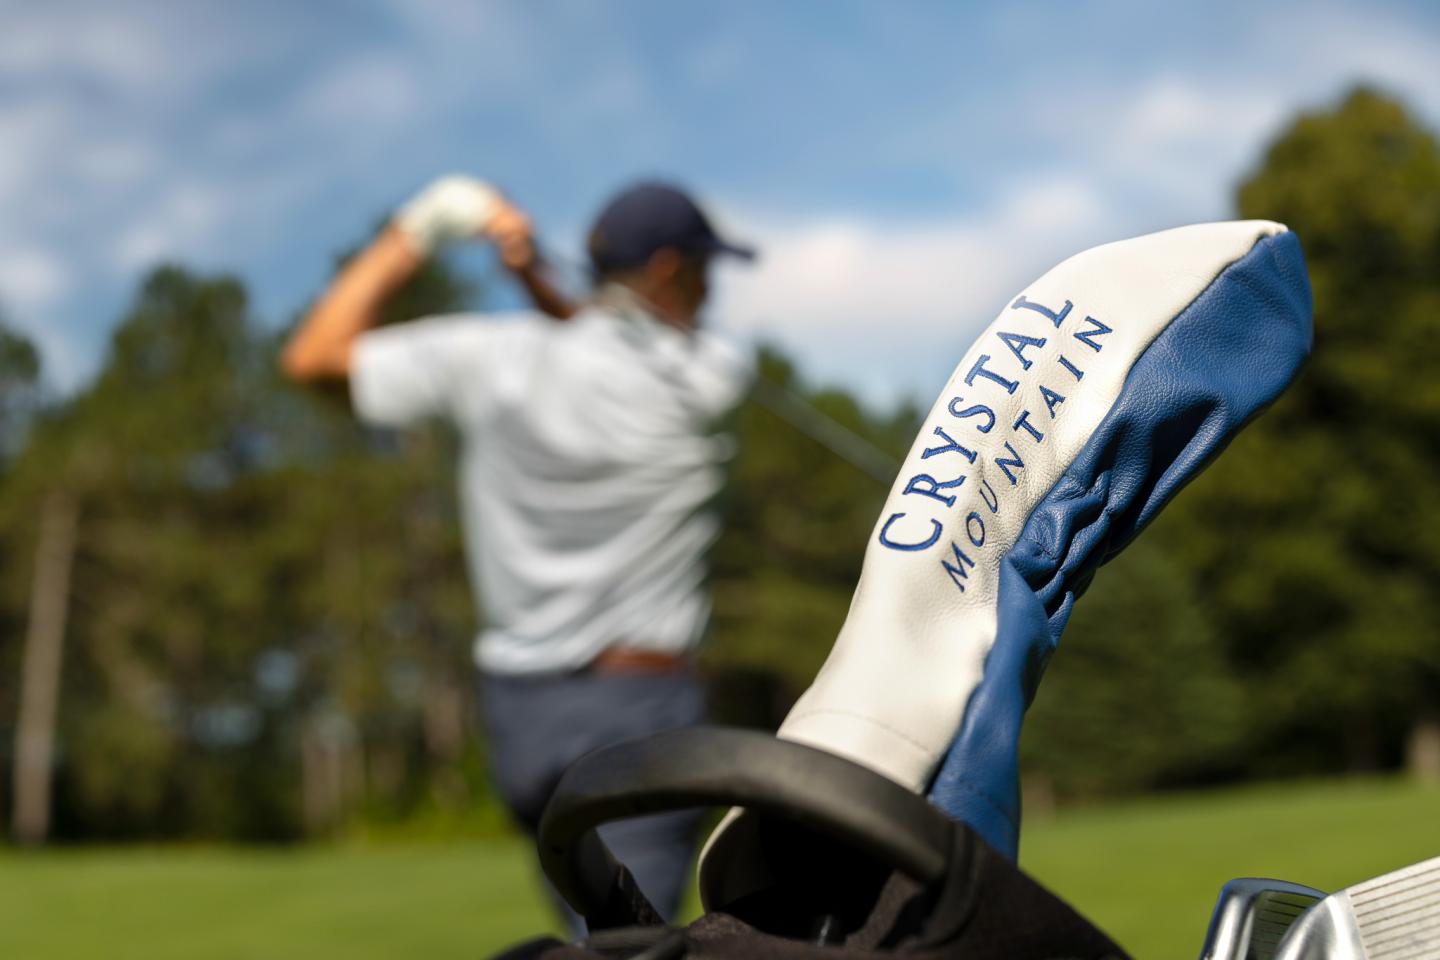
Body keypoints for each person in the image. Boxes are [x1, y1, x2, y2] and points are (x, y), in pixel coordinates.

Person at [280, 175, 756, 929]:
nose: (711, 290)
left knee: (598, 931)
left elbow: (313, 358)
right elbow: (608, 346)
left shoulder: (490, 358)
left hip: (518, 720)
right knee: (631, 947)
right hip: (639, 716)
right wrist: (538, 280)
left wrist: (425, 226)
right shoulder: (715, 377)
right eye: (704, 270)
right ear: (668, 269)